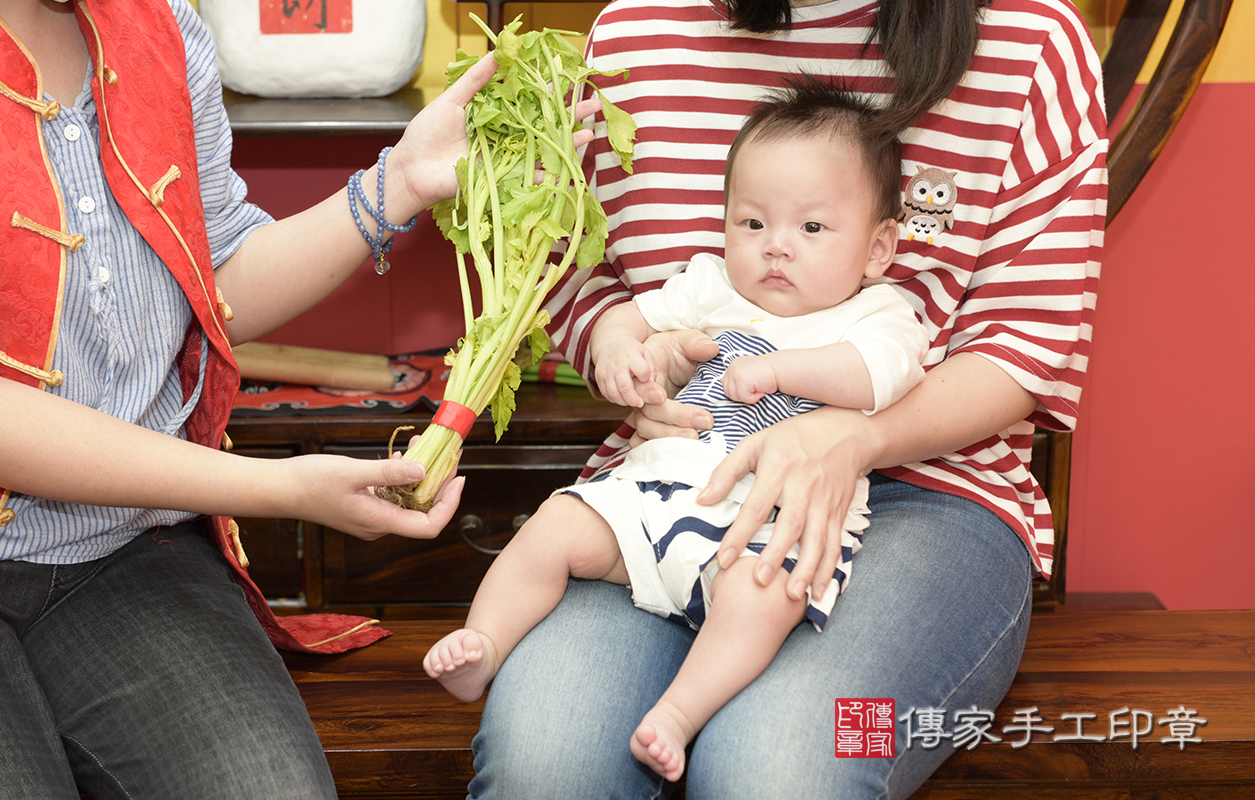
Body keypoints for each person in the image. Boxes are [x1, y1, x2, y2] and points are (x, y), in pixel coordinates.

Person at [467, 0, 1107, 797]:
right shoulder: (634, 36)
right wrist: (622, 356)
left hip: (930, 498)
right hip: (673, 480)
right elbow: (574, 275)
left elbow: (1026, 347)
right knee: (545, 765)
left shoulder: (1029, 43)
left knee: (775, 771)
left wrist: (855, 438)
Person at [0, 0, 590, 797]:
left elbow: (215, 282)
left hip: (121, 551)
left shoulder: (161, 24)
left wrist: (399, 183)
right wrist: (283, 489)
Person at [424, 77, 928, 781]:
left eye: (811, 229)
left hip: (774, 517)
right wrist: (618, 348)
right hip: (658, 489)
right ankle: (482, 644)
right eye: (752, 223)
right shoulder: (710, 284)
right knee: (554, 525)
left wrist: (783, 370)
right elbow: (636, 314)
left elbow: (878, 376)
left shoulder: (878, 315)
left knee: (767, 596)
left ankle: (680, 713)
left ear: (877, 249)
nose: (776, 248)